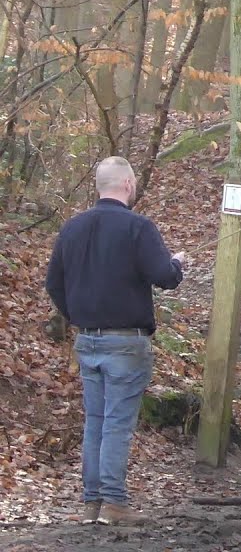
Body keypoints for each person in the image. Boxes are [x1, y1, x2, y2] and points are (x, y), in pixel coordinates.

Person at [44, 157, 186, 526]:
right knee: (116, 424)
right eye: (134, 182)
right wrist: (177, 265)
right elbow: (164, 276)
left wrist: (75, 314)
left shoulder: (72, 228)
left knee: (96, 421)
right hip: (125, 342)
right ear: (126, 184)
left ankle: (93, 502)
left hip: (87, 340)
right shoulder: (138, 227)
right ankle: (113, 502)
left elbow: (53, 284)